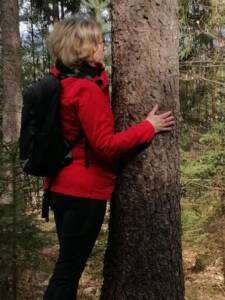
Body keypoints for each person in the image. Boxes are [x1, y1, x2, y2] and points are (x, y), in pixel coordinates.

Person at [43, 15, 175, 300]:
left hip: (59, 187)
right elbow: (105, 146)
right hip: (84, 193)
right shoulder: (85, 90)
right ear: (84, 48)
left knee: (66, 269)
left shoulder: (61, 82)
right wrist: (147, 127)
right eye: (98, 42)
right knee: (66, 275)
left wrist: (100, 75)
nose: (103, 47)